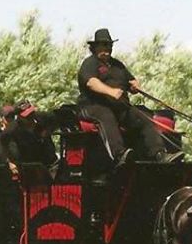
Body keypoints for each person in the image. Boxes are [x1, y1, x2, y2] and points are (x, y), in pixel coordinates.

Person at [77, 28, 181, 165]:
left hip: (120, 107)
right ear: (95, 47)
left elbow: (130, 80)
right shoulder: (90, 63)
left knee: (142, 117)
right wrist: (111, 91)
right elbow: (91, 83)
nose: (106, 48)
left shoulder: (118, 65)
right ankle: (119, 154)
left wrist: (134, 85)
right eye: (103, 45)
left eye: (109, 45)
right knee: (106, 115)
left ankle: (159, 154)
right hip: (92, 105)